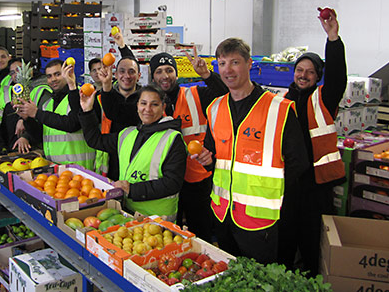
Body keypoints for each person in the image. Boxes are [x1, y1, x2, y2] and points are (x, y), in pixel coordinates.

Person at [204, 38, 308, 265]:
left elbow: (297, 163)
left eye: (234, 62)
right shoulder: (215, 108)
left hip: (261, 220)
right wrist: (206, 159)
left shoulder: (278, 109)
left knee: (260, 280)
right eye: (221, 63)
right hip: (223, 215)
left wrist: (271, 197)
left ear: (250, 63)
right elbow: (214, 156)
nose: (227, 70)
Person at [278, 9, 347, 276]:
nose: (303, 75)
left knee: (311, 242)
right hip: (288, 183)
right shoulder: (282, 100)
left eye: (310, 72)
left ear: (318, 77)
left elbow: (338, 77)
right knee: (285, 237)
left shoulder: (323, 99)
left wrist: (333, 39)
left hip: (316, 185)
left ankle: (310, 280)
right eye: (299, 70)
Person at [149, 48, 228, 241]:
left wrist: (207, 75)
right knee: (168, 233)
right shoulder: (150, 103)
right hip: (165, 179)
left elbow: (225, 94)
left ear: (176, 73)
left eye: (169, 70)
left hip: (197, 179)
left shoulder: (195, 95)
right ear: (152, 76)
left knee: (200, 232)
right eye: (159, 71)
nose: (164, 76)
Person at [79, 84, 187, 221]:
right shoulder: (127, 134)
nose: (147, 109)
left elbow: (172, 183)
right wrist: (87, 111)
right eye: (143, 103)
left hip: (158, 219)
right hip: (128, 213)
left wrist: (132, 190)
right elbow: (95, 140)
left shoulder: (172, 139)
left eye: (154, 104)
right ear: (137, 106)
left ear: (163, 107)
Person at [13, 60, 96, 171]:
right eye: (49, 76)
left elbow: (72, 124)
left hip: (79, 169)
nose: (53, 79)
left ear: (68, 73)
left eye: (57, 74)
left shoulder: (82, 97)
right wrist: (27, 119)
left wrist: (37, 113)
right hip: (55, 168)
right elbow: (39, 137)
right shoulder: (48, 104)